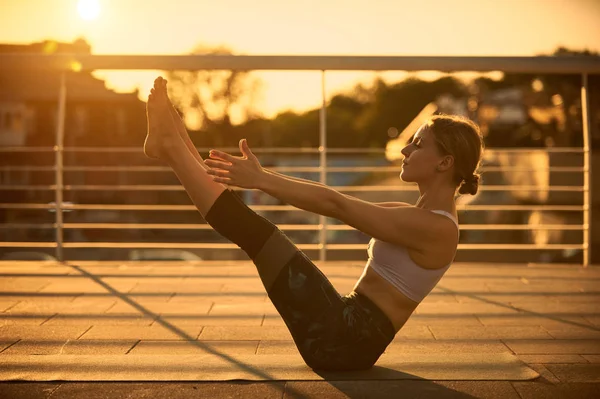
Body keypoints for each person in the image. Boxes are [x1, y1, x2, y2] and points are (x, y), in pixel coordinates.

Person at [144, 76, 484, 371]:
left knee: (259, 235)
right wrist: (188, 135)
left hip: (344, 342)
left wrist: (262, 179)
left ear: (445, 163)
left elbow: (336, 204)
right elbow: (337, 203)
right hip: (344, 327)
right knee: (258, 234)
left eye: (419, 144)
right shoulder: (415, 216)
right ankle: (174, 143)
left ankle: (171, 147)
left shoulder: (437, 228)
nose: (404, 149)